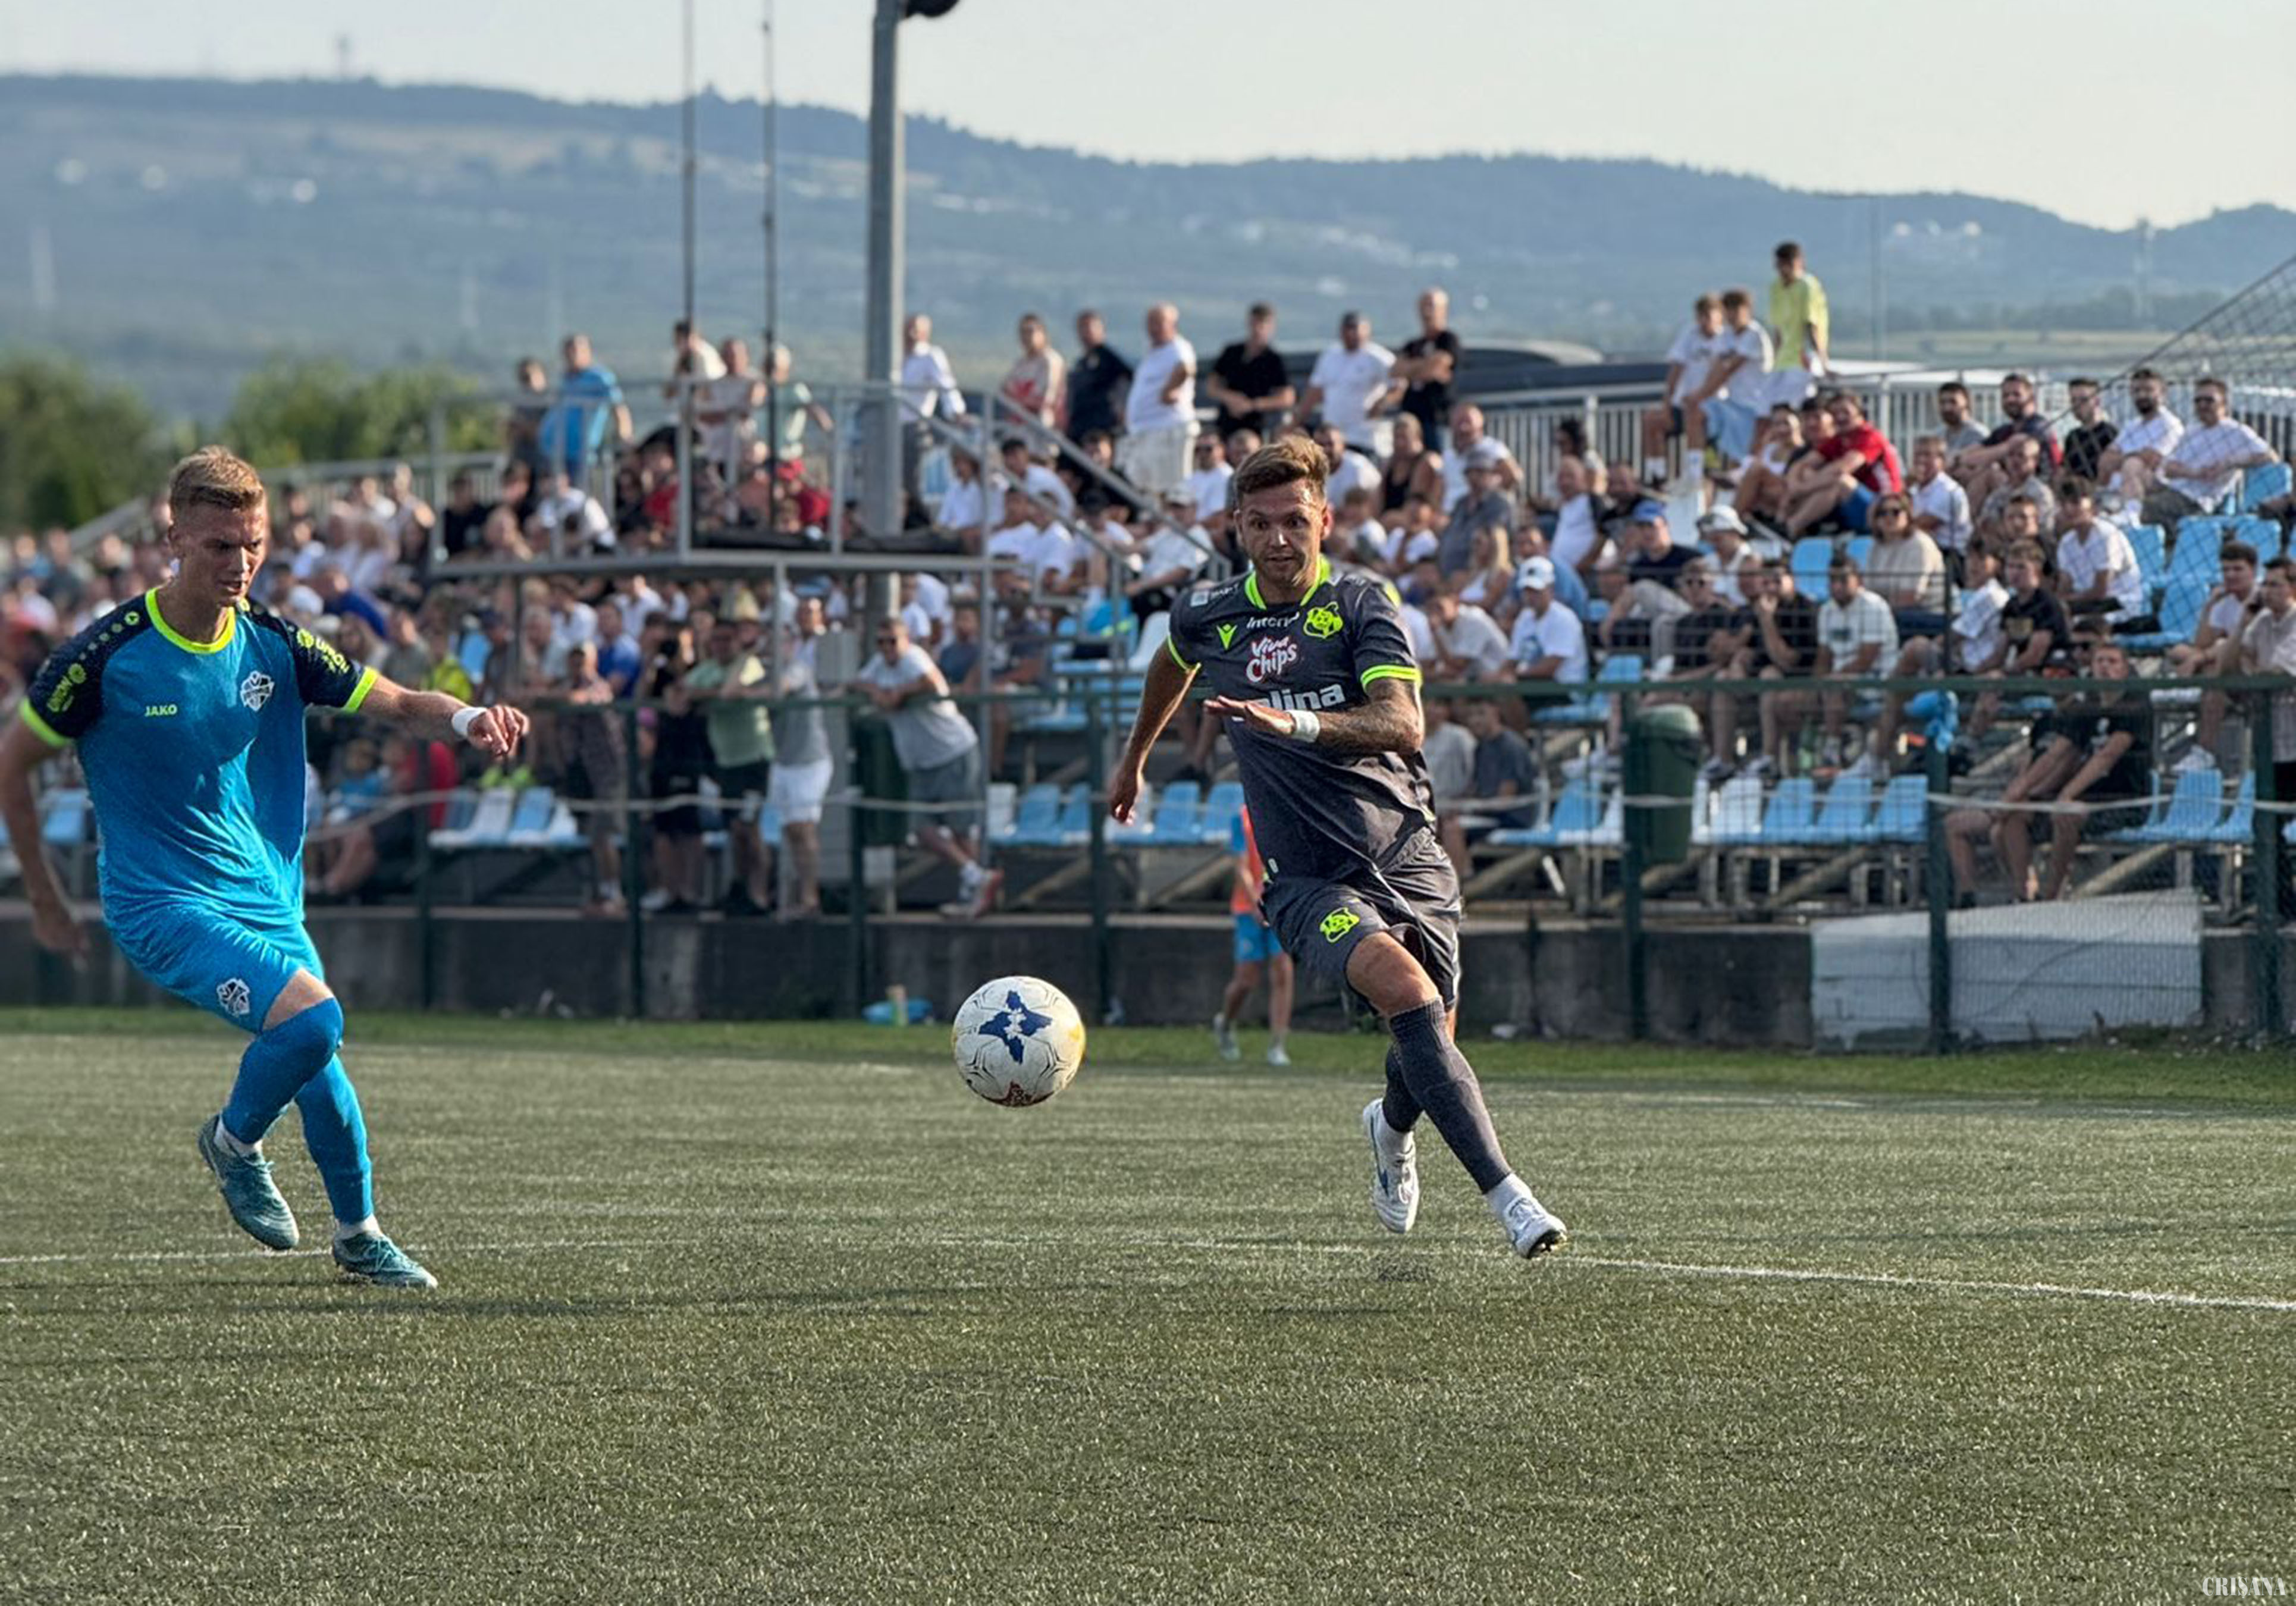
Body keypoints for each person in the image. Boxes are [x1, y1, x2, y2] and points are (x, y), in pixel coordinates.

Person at [0, 447, 533, 1290]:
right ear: (173, 538)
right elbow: (11, 764)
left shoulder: (276, 643)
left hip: (265, 895)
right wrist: (46, 896)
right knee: (315, 1023)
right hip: (162, 902)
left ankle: (358, 1236)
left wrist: (469, 718)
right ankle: (232, 1143)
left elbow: (398, 703)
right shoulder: (103, 657)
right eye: (220, 546)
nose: (239, 563)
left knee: (321, 1067)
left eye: (253, 545)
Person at [1110, 435, 1568, 1259]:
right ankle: (1513, 1200)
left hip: (1407, 854)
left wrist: (1295, 723)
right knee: (1407, 996)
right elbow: (1169, 665)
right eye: (1260, 524)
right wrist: (1134, 758)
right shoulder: (1209, 615)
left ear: (1323, 520)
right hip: (1308, 879)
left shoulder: (1361, 604)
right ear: (1236, 527)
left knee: (1429, 1041)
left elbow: (1403, 723)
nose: (1278, 539)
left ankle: (1389, 1129)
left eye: (1294, 520)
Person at [1945, 641, 2148, 904]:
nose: (2105, 667)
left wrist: (2065, 795)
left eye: (2112, 662)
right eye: (2100, 661)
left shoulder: (2135, 706)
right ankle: (2022, 896)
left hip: (2123, 800)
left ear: (2125, 669)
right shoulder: (2084, 708)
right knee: (2013, 817)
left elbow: (2105, 758)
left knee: (2066, 814)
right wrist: (2016, 794)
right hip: (2080, 797)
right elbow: (2055, 754)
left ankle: (2052, 895)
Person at [857, 616, 1000, 918]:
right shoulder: (879, 665)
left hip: (951, 751)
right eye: (881, 642)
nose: (887, 648)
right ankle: (976, 877)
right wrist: (877, 691)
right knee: (921, 829)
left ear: (905, 640)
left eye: (892, 641)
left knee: (961, 828)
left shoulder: (913, 658)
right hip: (920, 761)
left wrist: (899, 693)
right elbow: (858, 681)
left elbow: (931, 681)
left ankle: (972, 895)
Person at [683, 619, 776, 917]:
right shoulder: (708, 669)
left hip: (753, 760)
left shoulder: (748, 665)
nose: (721, 646)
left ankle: (759, 893)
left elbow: (730, 691)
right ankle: (740, 886)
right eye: (717, 640)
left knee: (750, 827)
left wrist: (712, 694)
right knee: (735, 830)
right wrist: (712, 693)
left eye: (727, 640)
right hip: (726, 763)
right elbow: (685, 692)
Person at [1212, 805, 1294, 1068]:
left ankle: (1277, 1045)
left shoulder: (1284, 812)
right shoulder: (1241, 818)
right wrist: (1256, 902)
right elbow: (1241, 866)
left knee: (1282, 971)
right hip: (1248, 910)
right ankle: (1225, 1023)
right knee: (1246, 979)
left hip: (1279, 906)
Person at [769, 597, 833, 920]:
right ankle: (800, 896)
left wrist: (748, 689)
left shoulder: (798, 668)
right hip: (783, 759)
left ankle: (810, 897)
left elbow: (778, 689)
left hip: (809, 759)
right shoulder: (760, 670)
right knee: (791, 831)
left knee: (803, 828)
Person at [1118, 303, 1197, 497]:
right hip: (1146, 431)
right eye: (1150, 323)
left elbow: (1185, 368)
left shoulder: (1178, 347)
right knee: (1147, 488)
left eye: (1159, 323)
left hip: (1168, 430)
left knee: (1173, 490)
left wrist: (1170, 390)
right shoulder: (1153, 352)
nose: (1153, 328)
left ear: (1173, 324)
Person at [1303, 310, 1397, 457]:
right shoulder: (1330, 355)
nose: (1352, 334)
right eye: (1348, 329)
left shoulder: (1379, 358)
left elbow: (1398, 385)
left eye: (1356, 329)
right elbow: (1314, 393)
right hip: (1332, 438)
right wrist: (1295, 422)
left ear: (1367, 331)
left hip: (1363, 437)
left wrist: (1381, 403)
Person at [1205, 302, 1296, 441]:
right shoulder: (1231, 353)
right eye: (1254, 323)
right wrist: (1231, 398)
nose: (1258, 329)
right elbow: (1211, 387)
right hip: (1226, 423)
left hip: (1257, 426)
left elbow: (1287, 398)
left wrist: (1253, 405)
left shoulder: (1273, 360)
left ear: (1272, 327)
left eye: (1263, 324)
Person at [1394, 287, 1462, 452]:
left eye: (1431, 306)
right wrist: (1424, 366)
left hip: (1436, 417)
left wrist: (1413, 369)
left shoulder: (1448, 341)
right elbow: (1397, 371)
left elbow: (1435, 368)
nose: (1427, 312)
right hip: (1411, 418)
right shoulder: (1412, 345)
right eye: (1423, 306)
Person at [1765, 242, 1828, 405]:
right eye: (1781, 265)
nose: (1784, 270)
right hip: (1783, 360)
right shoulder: (1776, 287)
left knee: (1795, 405)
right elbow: (1778, 328)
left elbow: (1811, 325)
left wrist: (1821, 360)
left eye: (1788, 265)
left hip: (1802, 358)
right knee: (1769, 405)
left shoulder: (1808, 286)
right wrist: (1775, 358)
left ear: (1799, 263)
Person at [1064, 309, 1132, 443]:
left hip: (1104, 428)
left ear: (1102, 330)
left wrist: (1124, 410)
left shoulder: (1110, 358)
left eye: (1090, 327)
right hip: (1080, 428)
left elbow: (1132, 377)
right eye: (1082, 328)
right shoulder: (1080, 364)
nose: (1086, 332)